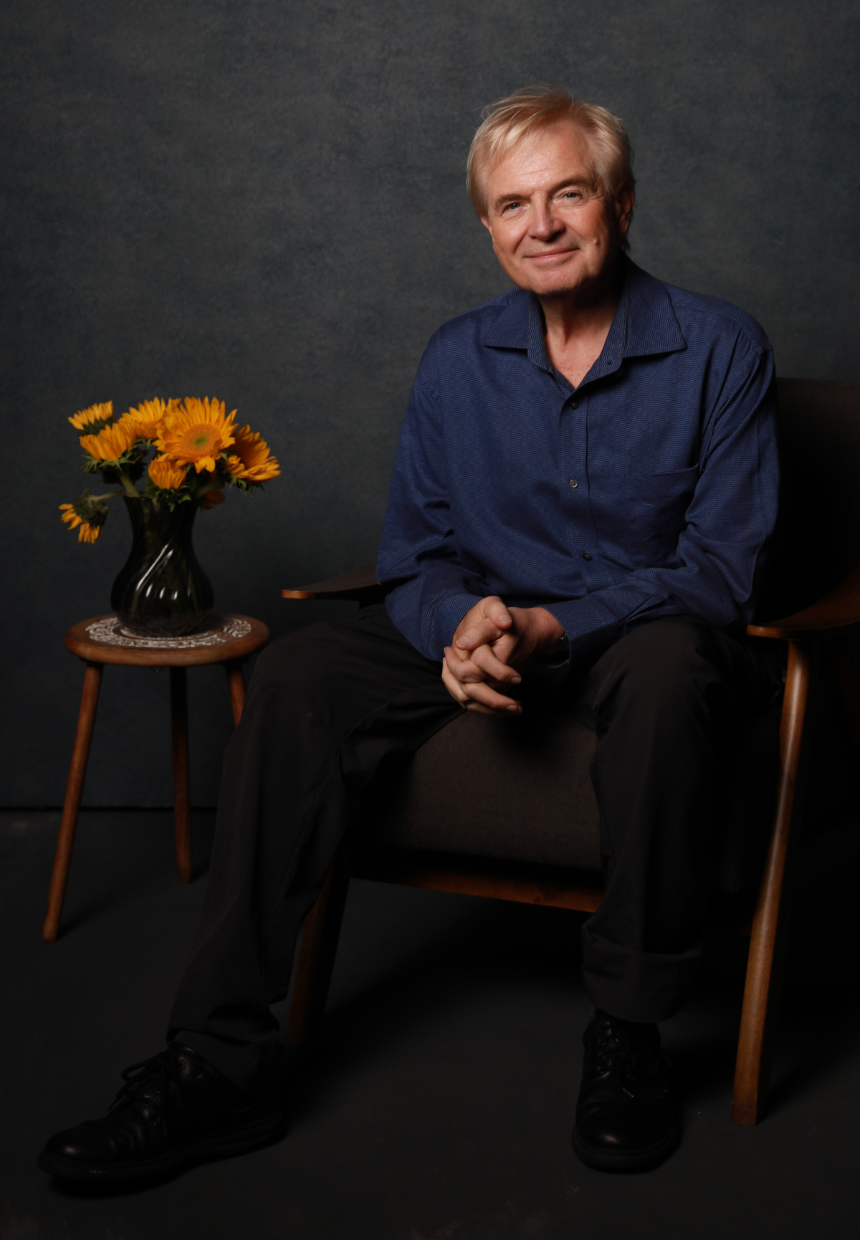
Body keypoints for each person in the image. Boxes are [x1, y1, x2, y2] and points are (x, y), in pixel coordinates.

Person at [38, 85, 779, 1182]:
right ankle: (217, 1065)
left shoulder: (719, 348)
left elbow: (717, 573)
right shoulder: (453, 358)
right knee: (299, 670)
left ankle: (626, 1032)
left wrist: (548, 624)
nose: (541, 226)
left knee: (672, 667)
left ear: (619, 203)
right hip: (477, 629)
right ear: (485, 227)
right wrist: (459, 625)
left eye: (567, 194)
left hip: (635, 637)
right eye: (513, 204)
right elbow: (413, 558)